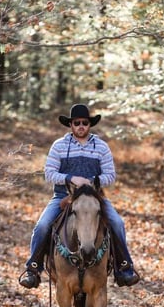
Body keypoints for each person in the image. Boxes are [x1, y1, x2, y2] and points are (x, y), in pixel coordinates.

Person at [19, 104, 140, 289]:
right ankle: (33, 268)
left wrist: (92, 181)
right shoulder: (59, 146)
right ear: (71, 125)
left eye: (85, 122)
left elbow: (110, 175)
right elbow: (49, 173)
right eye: (77, 123)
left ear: (90, 124)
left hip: (94, 198)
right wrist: (71, 178)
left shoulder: (101, 146)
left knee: (117, 223)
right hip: (63, 196)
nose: (81, 126)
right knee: (42, 225)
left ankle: (124, 267)